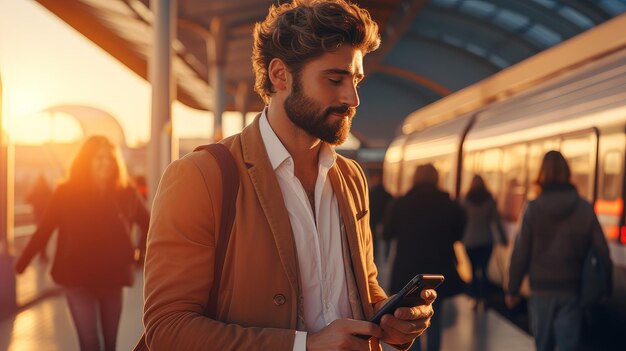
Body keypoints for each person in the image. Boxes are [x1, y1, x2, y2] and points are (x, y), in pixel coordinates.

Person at [142, 1, 436, 350]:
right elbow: (168, 328)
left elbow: (361, 285)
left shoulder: (351, 177)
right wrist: (305, 346)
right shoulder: (200, 176)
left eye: (356, 80)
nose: (352, 98)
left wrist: (390, 318)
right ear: (280, 75)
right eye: (334, 79)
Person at [15, 135, 150, 351]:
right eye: (98, 158)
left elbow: (150, 225)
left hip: (112, 278)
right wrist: (20, 265)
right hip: (76, 278)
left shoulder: (126, 194)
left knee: (110, 344)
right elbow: (44, 229)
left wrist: (138, 254)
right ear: (85, 161)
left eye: (109, 158)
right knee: (90, 343)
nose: (105, 163)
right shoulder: (66, 193)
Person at [506, 150, 612, 351]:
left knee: (542, 343)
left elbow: (520, 251)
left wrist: (513, 288)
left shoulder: (533, 208)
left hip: (540, 289)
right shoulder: (584, 208)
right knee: (568, 344)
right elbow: (602, 252)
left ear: (542, 173)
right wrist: (606, 287)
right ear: (567, 173)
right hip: (571, 288)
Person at [383, 164, 466, 351]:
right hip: (437, 270)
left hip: (408, 270)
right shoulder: (449, 204)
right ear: (436, 179)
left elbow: (387, 234)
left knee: (411, 320)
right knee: (433, 317)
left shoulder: (401, 203)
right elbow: (458, 234)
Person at [461, 174, 507, 310]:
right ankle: (485, 299)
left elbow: (461, 221)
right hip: (486, 241)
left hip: (469, 242)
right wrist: (503, 238)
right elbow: (497, 221)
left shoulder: (466, 200)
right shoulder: (489, 200)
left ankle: (475, 298)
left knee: (474, 271)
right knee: (484, 271)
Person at [369, 168, 392, 264]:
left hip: (373, 221)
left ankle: (374, 258)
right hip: (384, 222)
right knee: (385, 244)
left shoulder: (370, 193)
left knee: (374, 244)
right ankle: (385, 258)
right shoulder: (388, 195)